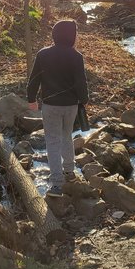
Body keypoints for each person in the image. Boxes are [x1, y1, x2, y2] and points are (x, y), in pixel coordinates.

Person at [27, 19, 89, 197]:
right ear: (72, 36)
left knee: (52, 141)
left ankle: (56, 185)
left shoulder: (43, 54)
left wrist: (31, 99)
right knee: (66, 136)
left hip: (50, 105)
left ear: (55, 34)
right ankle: (69, 172)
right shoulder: (76, 56)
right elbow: (80, 82)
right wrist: (84, 100)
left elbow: (34, 79)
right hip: (70, 106)